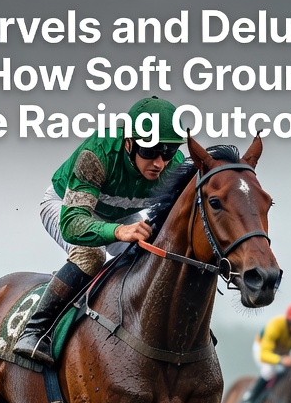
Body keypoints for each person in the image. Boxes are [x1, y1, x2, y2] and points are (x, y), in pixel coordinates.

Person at [13, 96, 188, 366]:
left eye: (167, 152)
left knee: (152, 256)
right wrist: (118, 232)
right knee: (91, 256)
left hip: (120, 214)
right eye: (150, 151)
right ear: (129, 143)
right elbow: (73, 224)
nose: (159, 163)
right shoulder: (96, 154)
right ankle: (35, 331)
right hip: (67, 206)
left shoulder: (174, 166)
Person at [238, 302, 291, 403]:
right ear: (288, 322)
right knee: (269, 370)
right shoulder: (274, 326)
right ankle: (250, 400)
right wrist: (281, 360)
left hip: (284, 351)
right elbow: (264, 354)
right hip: (263, 349)